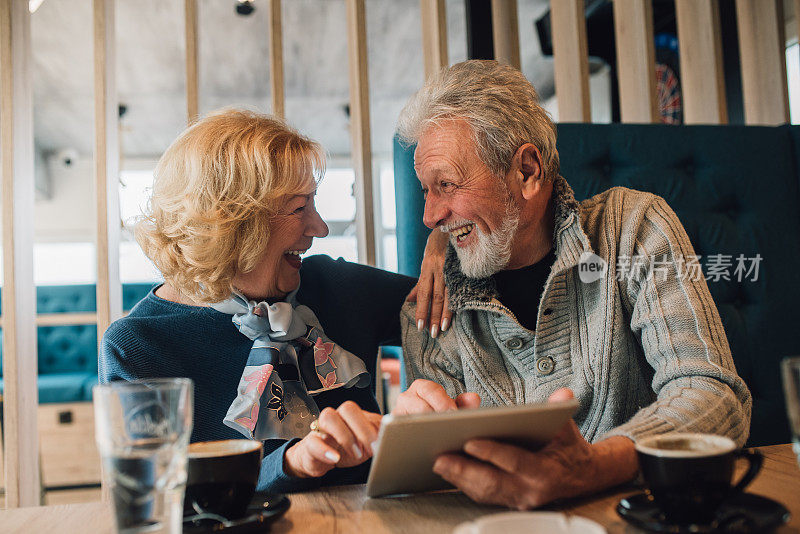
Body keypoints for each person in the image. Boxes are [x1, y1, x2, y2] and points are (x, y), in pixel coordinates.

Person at [394, 60, 752, 510]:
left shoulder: (635, 229)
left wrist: (595, 465)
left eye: (446, 184)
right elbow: (441, 482)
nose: (430, 215)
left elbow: (713, 395)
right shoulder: (429, 311)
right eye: (426, 190)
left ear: (526, 171)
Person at [100, 109, 448, 494]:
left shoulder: (337, 286)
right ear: (231, 225)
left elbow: (473, 307)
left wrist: (443, 242)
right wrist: (289, 464)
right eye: (300, 208)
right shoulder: (137, 346)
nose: (320, 227)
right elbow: (159, 499)